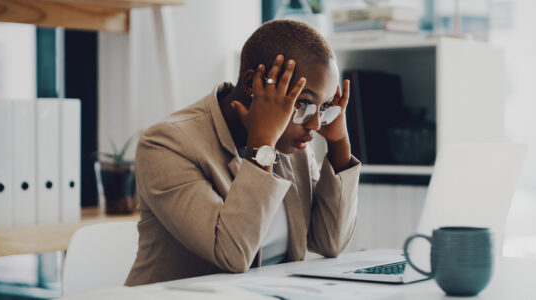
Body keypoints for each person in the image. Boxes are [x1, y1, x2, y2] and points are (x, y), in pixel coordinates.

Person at [125, 19, 361, 286]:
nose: (315, 124)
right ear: (253, 83)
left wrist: (340, 144)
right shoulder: (166, 144)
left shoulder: (292, 145)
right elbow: (232, 253)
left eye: (324, 106)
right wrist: (262, 145)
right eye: (304, 103)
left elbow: (330, 242)